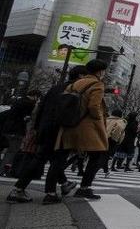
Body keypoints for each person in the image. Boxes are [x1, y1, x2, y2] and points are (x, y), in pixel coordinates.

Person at [5, 67, 85, 204]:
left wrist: (37, 128)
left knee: (40, 159)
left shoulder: (55, 88)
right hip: (61, 130)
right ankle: (51, 193)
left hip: (45, 128)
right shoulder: (74, 90)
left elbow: (41, 108)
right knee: (57, 160)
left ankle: (18, 189)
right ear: (80, 76)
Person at [51, 59, 110, 200]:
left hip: (69, 124)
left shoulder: (75, 84)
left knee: (62, 155)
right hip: (88, 126)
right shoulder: (97, 84)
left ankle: (58, 184)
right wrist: (99, 119)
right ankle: (84, 187)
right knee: (97, 155)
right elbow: (94, 106)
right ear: (100, 71)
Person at [102, 109, 126, 175]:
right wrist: (117, 140)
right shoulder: (120, 121)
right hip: (111, 139)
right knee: (106, 155)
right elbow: (119, 131)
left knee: (103, 154)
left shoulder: (106, 119)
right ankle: (95, 171)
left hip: (102, 138)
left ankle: (106, 170)